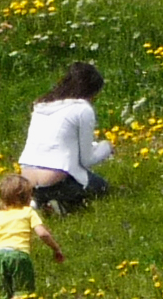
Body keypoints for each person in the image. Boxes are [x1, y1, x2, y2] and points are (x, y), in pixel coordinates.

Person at [19, 60, 115, 212]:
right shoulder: (82, 109)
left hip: (27, 180)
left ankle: (38, 200)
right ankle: (61, 200)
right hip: (55, 179)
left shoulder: (41, 105)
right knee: (101, 186)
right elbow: (86, 160)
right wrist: (106, 148)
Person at [0, 171, 62, 299]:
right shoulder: (28, 213)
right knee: (24, 291)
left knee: (5, 292)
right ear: (27, 197)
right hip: (19, 255)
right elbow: (42, 234)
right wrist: (56, 248)